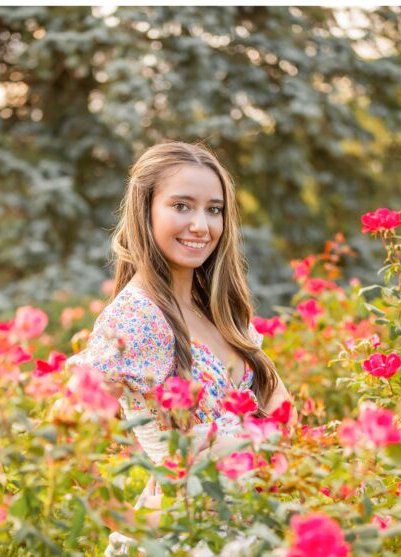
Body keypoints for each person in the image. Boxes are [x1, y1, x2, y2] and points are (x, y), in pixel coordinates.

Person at [65, 141, 292, 512]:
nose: (201, 226)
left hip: (251, 531)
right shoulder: (139, 317)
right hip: (183, 545)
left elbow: (282, 407)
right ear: (145, 211)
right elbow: (67, 437)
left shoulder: (218, 308)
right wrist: (132, 525)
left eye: (213, 210)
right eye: (181, 206)